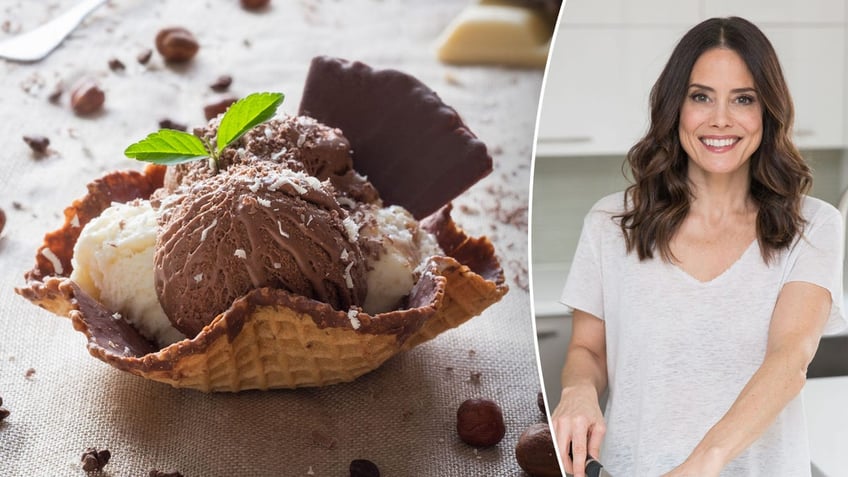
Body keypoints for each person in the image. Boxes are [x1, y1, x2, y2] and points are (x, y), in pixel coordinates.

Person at [551, 16, 846, 476]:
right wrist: (578, 391)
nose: (720, 118)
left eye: (743, 99)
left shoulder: (812, 225)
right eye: (701, 96)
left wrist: (699, 465)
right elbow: (587, 351)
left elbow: (790, 359)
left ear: (767, 111)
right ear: (675, 107)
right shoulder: (611, 224)